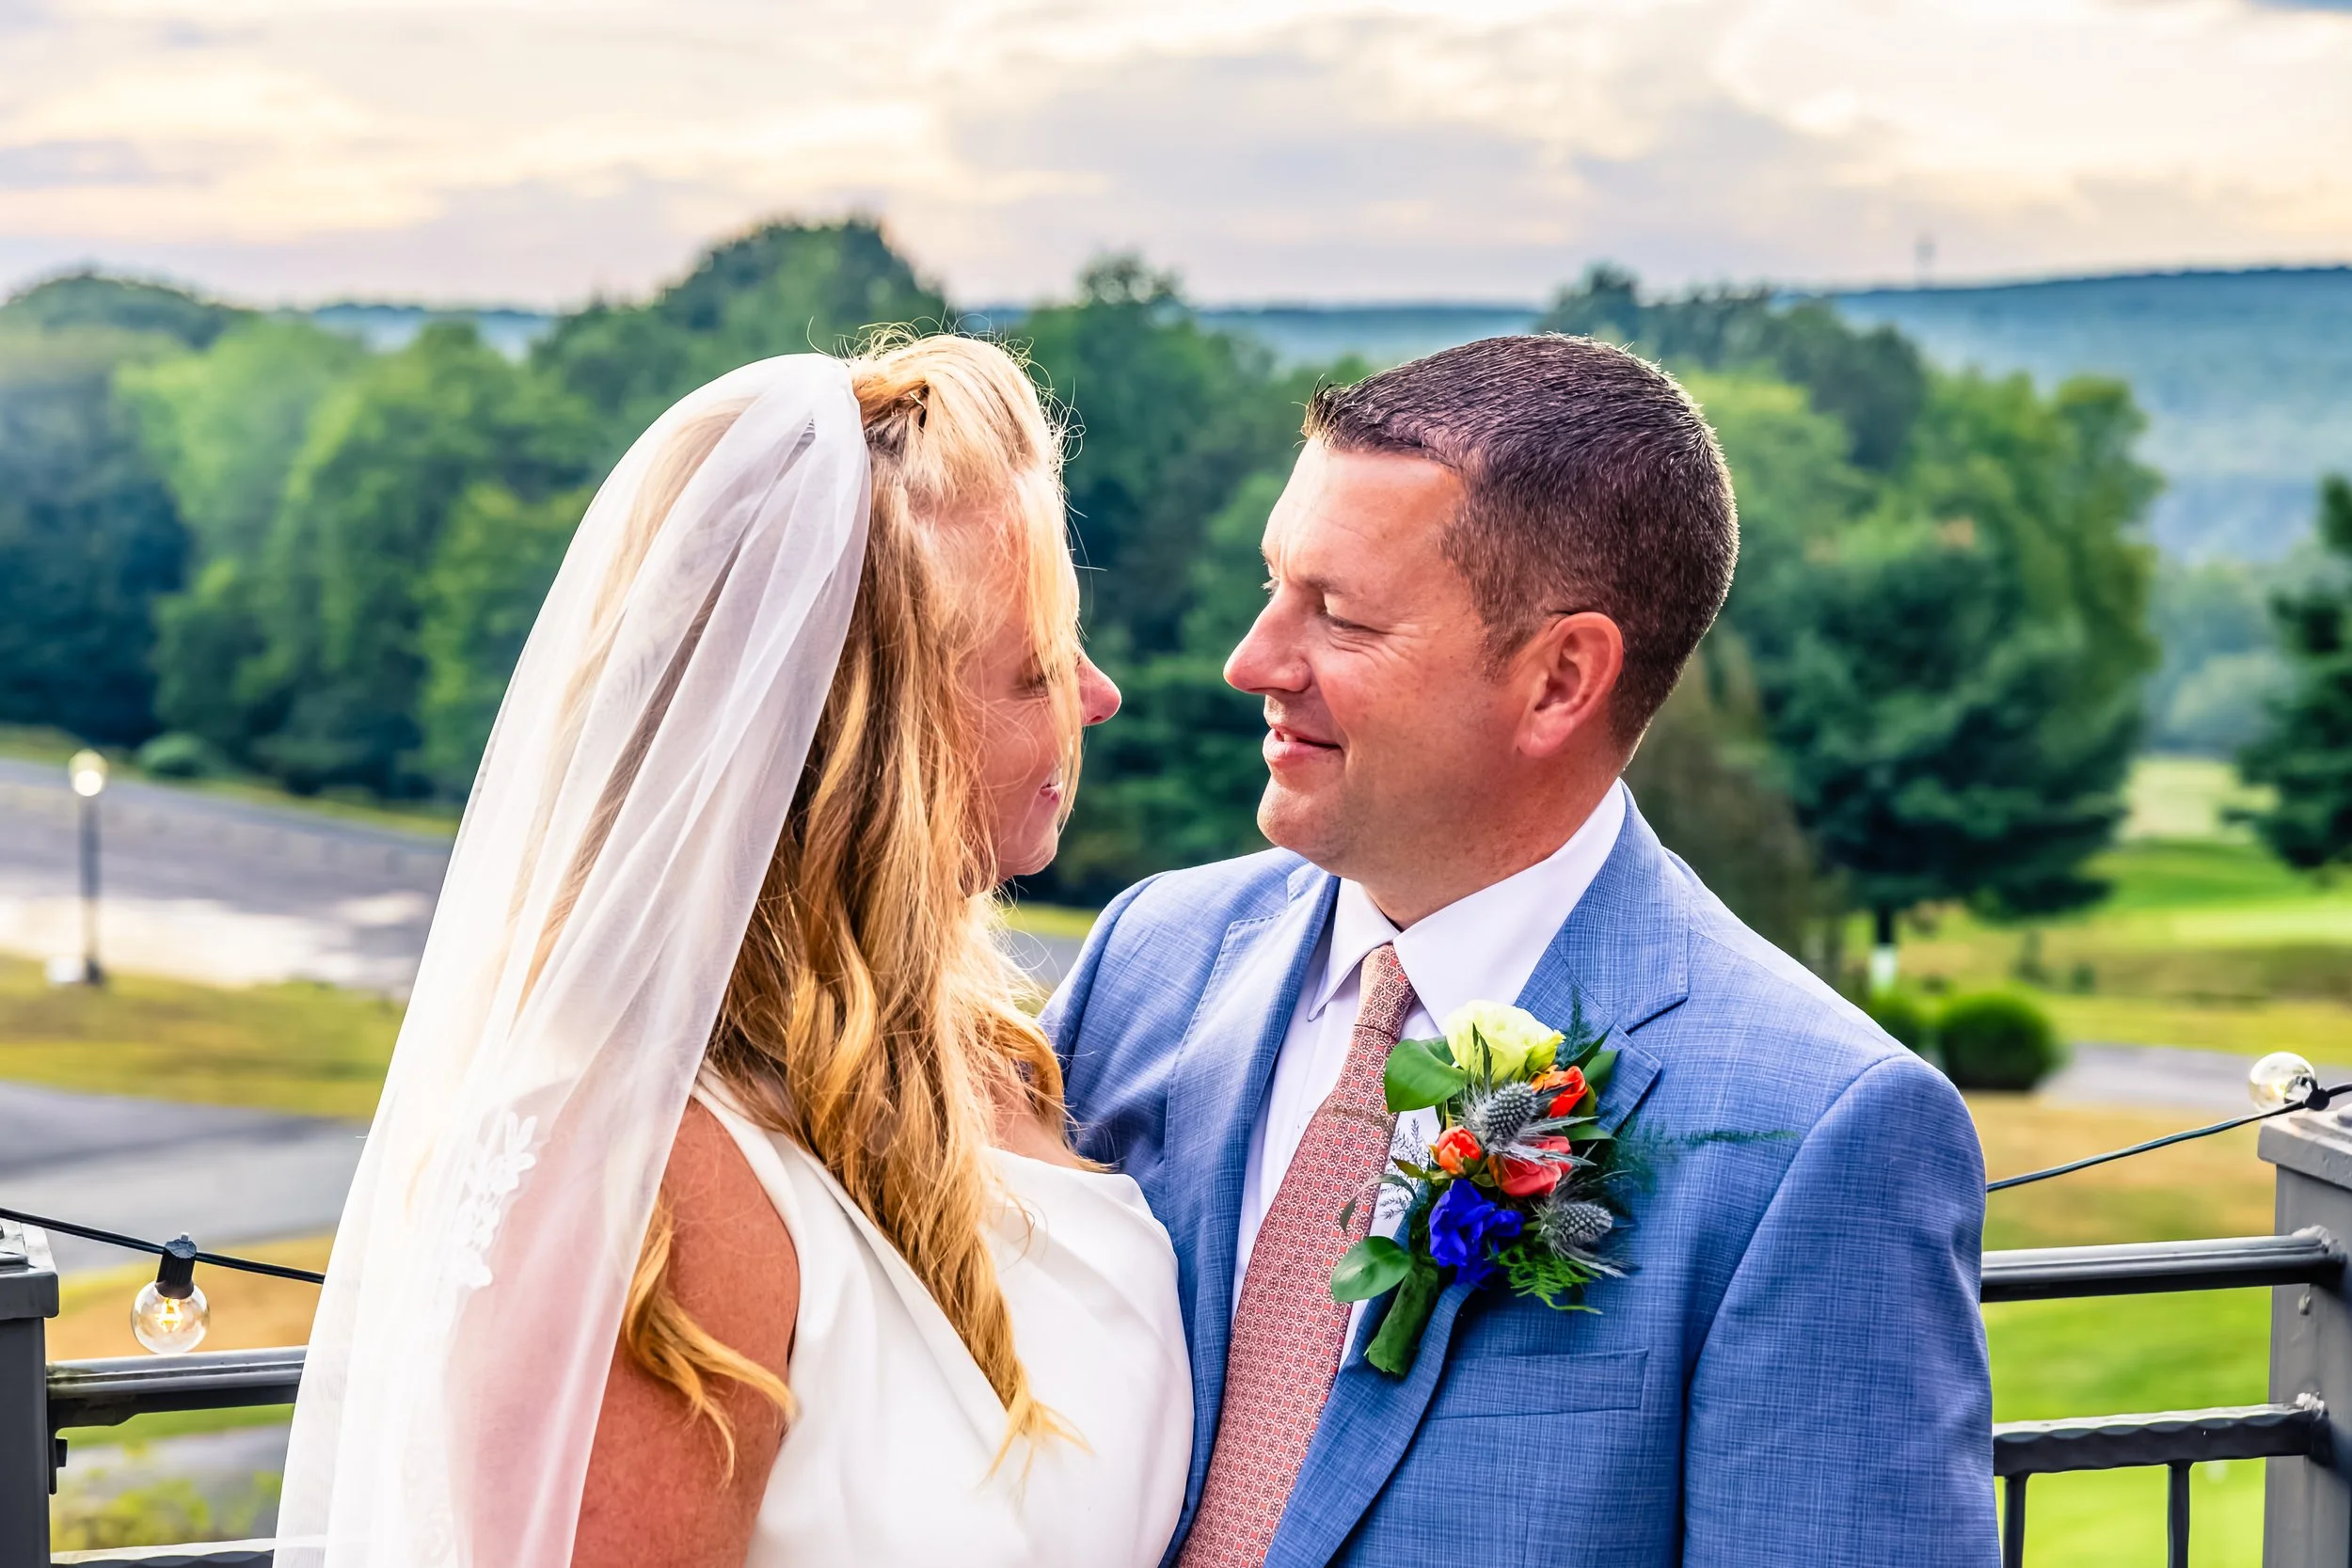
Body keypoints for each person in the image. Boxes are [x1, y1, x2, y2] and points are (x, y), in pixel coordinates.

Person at [1045, 335, 1998, 1567]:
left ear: (1559, 679)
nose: (1254, 661)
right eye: (1275, 585)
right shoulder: (1146, 960)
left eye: (1337, 613)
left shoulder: (1818, 1134)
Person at [276, 335, 1191, 1568]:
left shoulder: (1013, 1064)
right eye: (1032, 668)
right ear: (875, 756)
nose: (1097, 694)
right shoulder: (648, 1181)